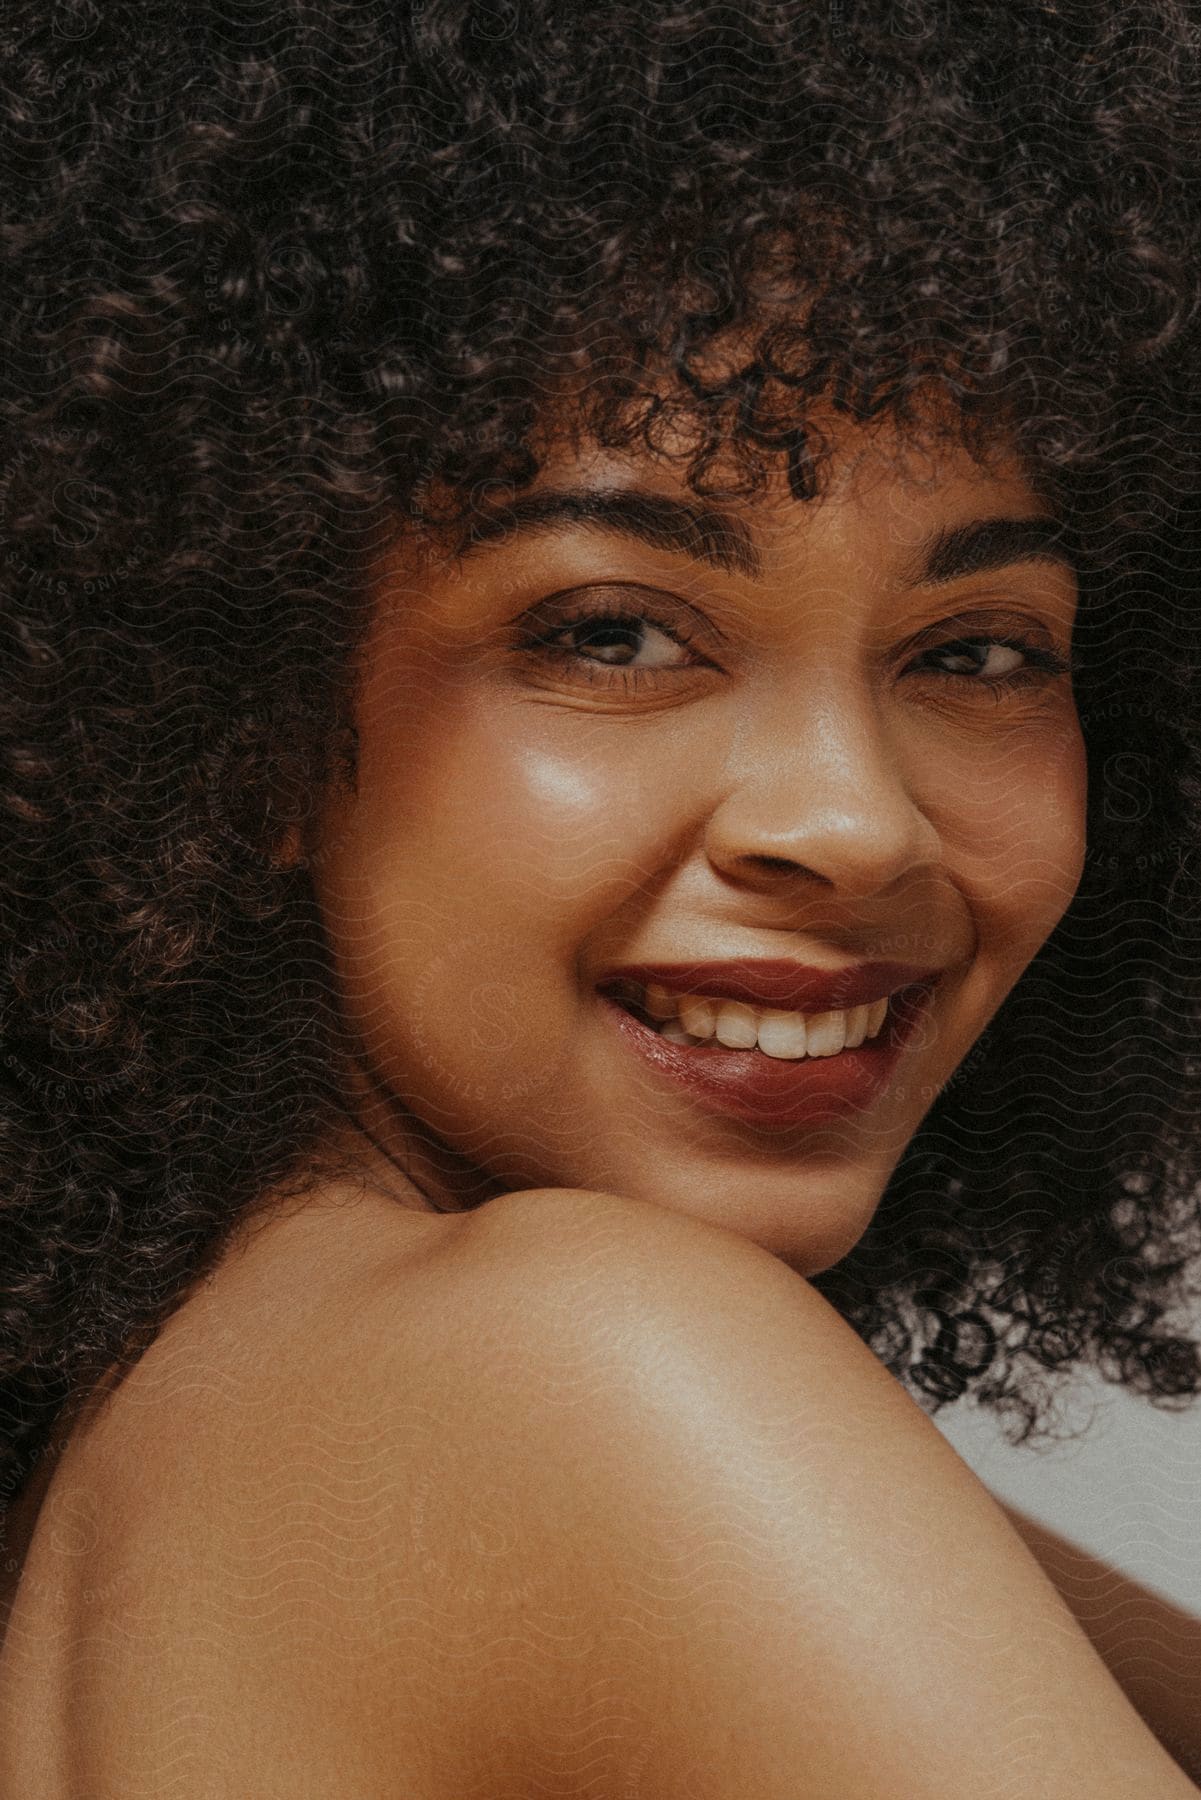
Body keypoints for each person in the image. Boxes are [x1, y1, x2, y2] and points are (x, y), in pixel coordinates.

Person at [1, 0, 1200, 1792]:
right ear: (238, 718)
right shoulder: (565, 1372)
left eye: (977, 650)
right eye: (611, 633)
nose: (856, 825)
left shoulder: (213, 1424)